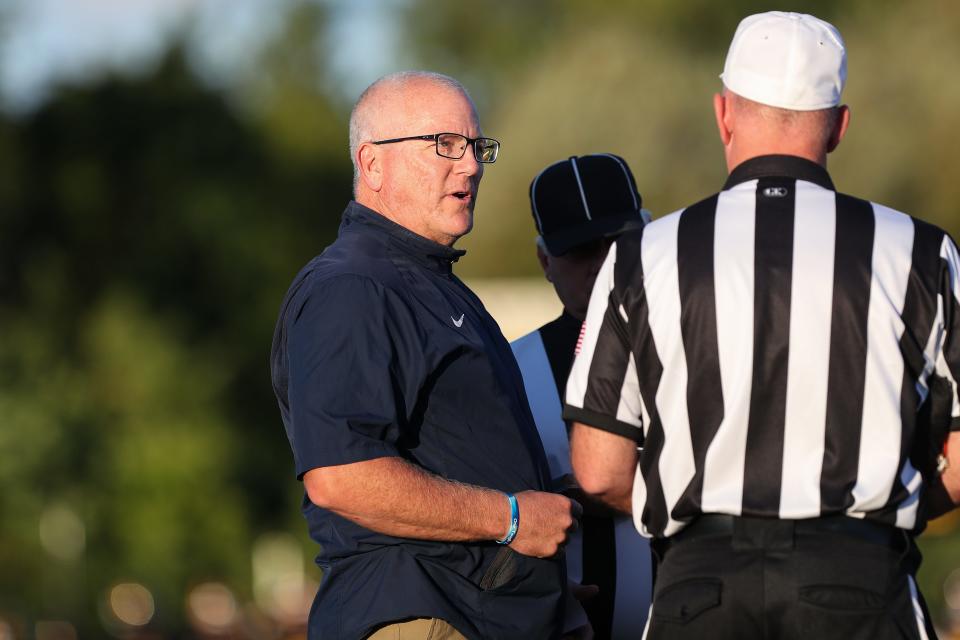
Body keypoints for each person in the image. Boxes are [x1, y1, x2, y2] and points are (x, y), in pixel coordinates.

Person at [564, 11, 960, 640]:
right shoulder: (920, 251)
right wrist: (884, 506)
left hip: (699, 586)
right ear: (838, 127)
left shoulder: (645, 254)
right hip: (858, 578)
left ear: (724, 113)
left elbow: (598, 467)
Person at [270, 71, 580, 640]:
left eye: (476, 147)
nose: (470, 165)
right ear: (372, 164)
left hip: (479, 613)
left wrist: (539, 586)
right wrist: (513, 519)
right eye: (444, 144)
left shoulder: (428, 284)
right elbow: (341, 476)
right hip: (421, 614)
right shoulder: (354, 287)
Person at [511, 154, 653, 639]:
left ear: (648, 235)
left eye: (615, 244)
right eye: (580, 251)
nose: (601, 266)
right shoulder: (507, 370)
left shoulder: (699, 343)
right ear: (545, 261)